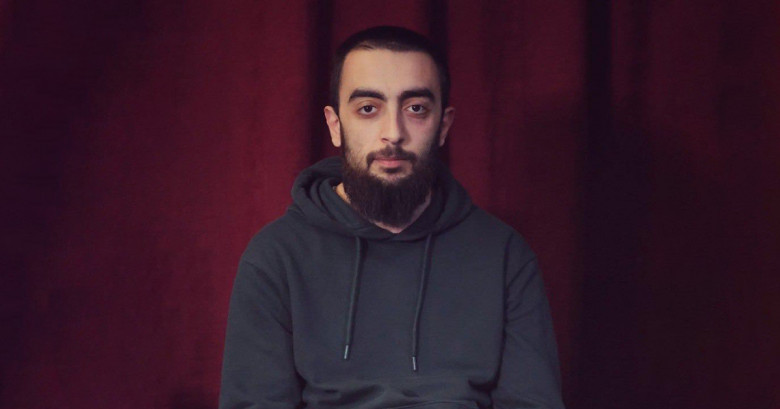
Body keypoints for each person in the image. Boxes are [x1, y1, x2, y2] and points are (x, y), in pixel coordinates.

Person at [219, 26, 565, 409]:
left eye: (415, 108)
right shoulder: (276, 256)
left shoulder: (504, 254)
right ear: (335, 125)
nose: (393, 133)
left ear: (443, 125)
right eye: (368, 108)